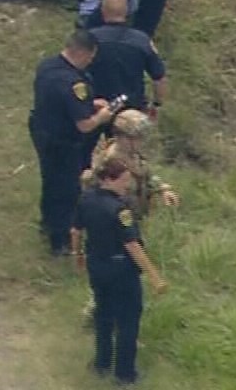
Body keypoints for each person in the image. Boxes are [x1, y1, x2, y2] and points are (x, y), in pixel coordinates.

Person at [73, 156, 169, 385]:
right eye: (124, 181)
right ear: (108, 180)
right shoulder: (120, 211)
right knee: (128, 320)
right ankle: (125, 374)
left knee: (103, 315)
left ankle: (101, 363)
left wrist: (78, 256)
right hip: (121, 270)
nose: (127, 186)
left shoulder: (86, 199)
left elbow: (76, 231)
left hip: (97, 265)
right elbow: (132, 245)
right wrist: (155, 276)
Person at [31, 28, 117, 256]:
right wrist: (102, 116)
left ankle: (47, 223)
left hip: (42, 131)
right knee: (66, 189)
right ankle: (60, 241)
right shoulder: (74, 84)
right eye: (90, 57)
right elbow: (84, 125)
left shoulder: (48, 66)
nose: (91, 61)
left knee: (49, 181)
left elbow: (60, 103)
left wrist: (91, 102)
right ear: (81, 53)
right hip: (62, 142)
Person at [88, 0, 167, 114]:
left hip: (96, 107)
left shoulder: (89, 39)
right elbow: (159, 78)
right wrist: (156, 104)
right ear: (126, 11)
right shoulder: (142, 40)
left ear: (102, 10)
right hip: (131, 110)